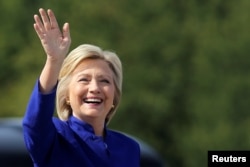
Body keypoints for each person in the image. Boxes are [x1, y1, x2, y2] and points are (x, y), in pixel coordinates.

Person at [22, 8, 140, 167]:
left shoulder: (129, 148)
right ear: (67, 95)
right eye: (84, 79)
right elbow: (34, 123)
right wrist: (54, 61)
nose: (95, 88)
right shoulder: (56, 137)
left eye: (104, 81)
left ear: (115, 95)